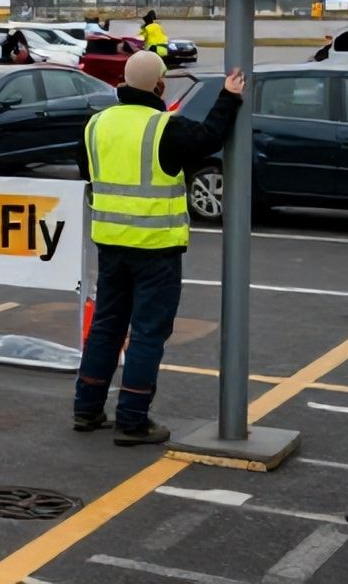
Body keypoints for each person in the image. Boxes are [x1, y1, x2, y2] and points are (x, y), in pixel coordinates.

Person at [75, 51, 243, 446]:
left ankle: (86, 408)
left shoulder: (95, 124)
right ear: (159, 86)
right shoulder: (164, 126)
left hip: (111, 244)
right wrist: (229, 97)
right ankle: (132, 420)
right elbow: (210, 138)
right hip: (156, 249)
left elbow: (88, 172)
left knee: (106, 326)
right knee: (148, 332)